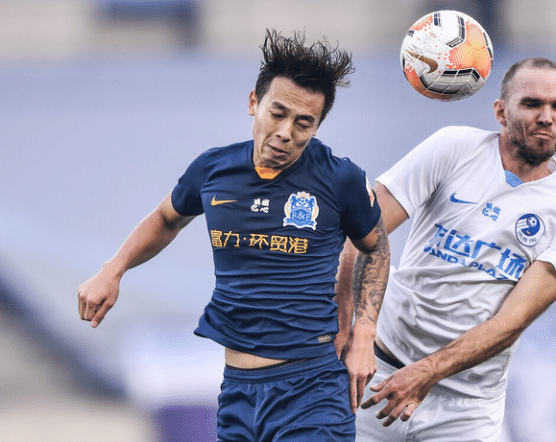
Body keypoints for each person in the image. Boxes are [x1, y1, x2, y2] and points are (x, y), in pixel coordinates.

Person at [77, 29, 390, 442]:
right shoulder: (214, 170)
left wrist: (364, 332)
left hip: (312, 390)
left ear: (318, 125)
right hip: (237, 392)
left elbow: (376, 248)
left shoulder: (341, 178)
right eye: (277, 113)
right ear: (253, 103)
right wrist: (113, 269)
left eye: (303, 123)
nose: (285, 132)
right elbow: (167, 218)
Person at [344, 57, 556, 442]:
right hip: (377, 375)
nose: (546, 117)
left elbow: (510, 323)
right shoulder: (453, 148)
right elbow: (362, 232)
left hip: (465, 409)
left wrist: (427, 371)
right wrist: (350, 333)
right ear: (500, 111)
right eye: (532, 104)